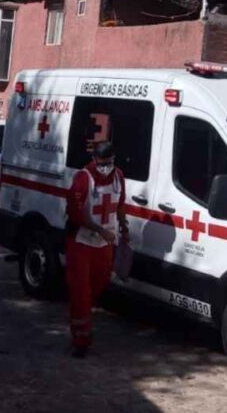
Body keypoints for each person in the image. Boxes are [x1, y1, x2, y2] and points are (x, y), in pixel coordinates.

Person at [64, 141, 128, 358]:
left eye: (109, 163)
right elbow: (75, 213)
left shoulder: (118, 176)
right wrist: (100, 230)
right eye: (102, 163)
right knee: (81, 292)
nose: (105, 167)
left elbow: (120, 205)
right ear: (94, 160)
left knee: (99, 286)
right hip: (81, 244)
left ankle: (82, 315)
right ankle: (80, 340)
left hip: (105, 245)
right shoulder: (84, 178)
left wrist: (124, 227)